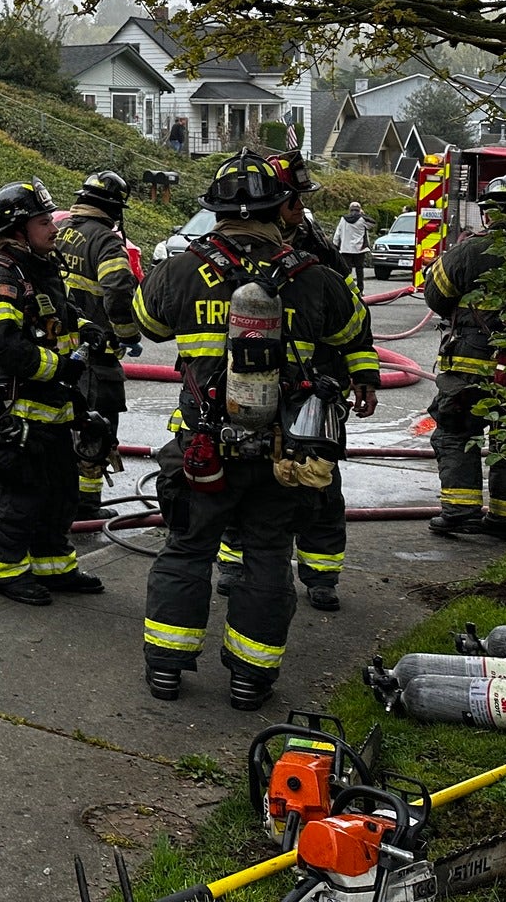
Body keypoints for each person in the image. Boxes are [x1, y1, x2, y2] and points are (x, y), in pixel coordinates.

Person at [134, 152, 382, 709]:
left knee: (187, 550)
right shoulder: (314, 275)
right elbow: (354, 331)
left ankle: (167, 671)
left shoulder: (180, 269)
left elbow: (144, 325)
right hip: (283, 456)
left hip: (202, 448)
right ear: (280, 208)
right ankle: (250, 680)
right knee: (268, 558)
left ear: (216, 212)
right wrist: (359, 374)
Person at [216, 150, 377, 613]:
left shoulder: (314, 250)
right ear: (278, 203)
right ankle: (233, 563)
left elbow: (352, 316)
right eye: (296, 202)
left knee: (319, 487)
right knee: (241, 480)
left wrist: (363, 372)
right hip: (242, 390)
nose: (301, 210)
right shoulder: (230, 252)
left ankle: (320, 575)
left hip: (313, 389)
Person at [0, 179, 105, 605]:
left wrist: (86, 329)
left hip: (54, 410)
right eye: (45, 220)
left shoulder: (40, 269)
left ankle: (55, 567)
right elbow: (1, 346)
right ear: (18, 228)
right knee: (20, 497)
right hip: (19, 410)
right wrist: (60, 367)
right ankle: (6, 573)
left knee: (59, 493)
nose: (54, 227)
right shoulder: (0, 278)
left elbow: (59, 316)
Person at [423, 174, 506, 541]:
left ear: (486, 214)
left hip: (471, 363)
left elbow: (436, 294)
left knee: (455, 430)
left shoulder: (470, 251)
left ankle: (460, 511)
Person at [56, 171, 140, 521]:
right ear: (113, 209)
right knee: (97, 430)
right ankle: (87, 507)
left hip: (58, 353)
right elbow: (118, 287)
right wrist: (127, 333)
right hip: (96, 355)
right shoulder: (105, 242)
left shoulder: (60, 233)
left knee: (61, 427)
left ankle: (58, 497)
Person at [332, 202, 371, 289]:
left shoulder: (343, 219)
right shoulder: (362, 220)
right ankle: (360, 288)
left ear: (349, 210)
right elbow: (372, 224)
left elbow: (338, 233)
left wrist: (335, 245)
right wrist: (363, 214)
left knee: (347, 270)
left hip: (345, 249)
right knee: (359, 269)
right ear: (359, 210)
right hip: (359, 249)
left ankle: (348, 288)